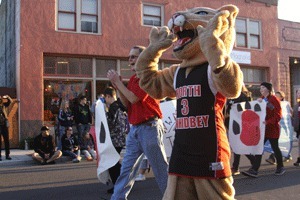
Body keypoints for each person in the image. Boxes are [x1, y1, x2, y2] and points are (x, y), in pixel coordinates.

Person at [107, 46, 168, 199]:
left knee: (160, 170)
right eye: (129, 57)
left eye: (134, 56)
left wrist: (118, 83)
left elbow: (134, 98)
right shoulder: (134, 79)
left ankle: (172, 197)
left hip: (150, 128)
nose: (130, 60)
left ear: (143, 58)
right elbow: (127, 103)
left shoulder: (148, 76)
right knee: (126, 170)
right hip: (136, 130)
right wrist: (118, 86)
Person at [242, 82, 285, 177]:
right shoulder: (261, 99)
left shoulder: (273, 99)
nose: (261, 89)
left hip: (272, 128)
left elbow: (278, 115)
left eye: (263, 87)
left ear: (268, 89)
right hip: (263, 129)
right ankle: (254, 169)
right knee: (259, 148)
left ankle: (280, 167)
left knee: (275, 148)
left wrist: (268, 121)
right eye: (260, 88)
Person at [103, 86, 128, 194]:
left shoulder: (113, 108)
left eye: (105, 98)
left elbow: (110, 123)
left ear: (109, 96)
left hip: (115, 139)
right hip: (120, 138)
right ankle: (120, 184)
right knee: (114, 162)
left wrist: (104, 114)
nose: (105, 100)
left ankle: (119, 185)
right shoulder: (120, 106)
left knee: (112, 163)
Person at [225, 85, 253, 175]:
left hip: (240, 123)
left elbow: (247, 110)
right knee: (236, 145)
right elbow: (227, 109)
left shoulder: (244, 96)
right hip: (230, 123)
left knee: (238, 145)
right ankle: (238, 166)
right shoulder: (231, 96)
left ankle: (252, 161)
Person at [266, 90, 293, 164]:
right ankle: (273, 158)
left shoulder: (285, 104)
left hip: (284, 126)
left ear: (281, 97)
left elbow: (290, 112)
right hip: (275, 126)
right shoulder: (272, 103)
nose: (276, 97)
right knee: (276, 144)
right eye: (275, 95)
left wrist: (289, 115)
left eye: (278, 96)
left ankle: (284, 156)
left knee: (280, 143)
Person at [0, 95, 13, 161]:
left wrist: (7, 97)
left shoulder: (4, 105)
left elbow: (10, 101)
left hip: (4, 125)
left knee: (6, 141)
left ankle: (7, 155)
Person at [292, 89, 300, 166]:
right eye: (297, 93)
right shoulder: (296, 105)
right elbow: (294, 117)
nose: (298, 94)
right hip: (298, 128)